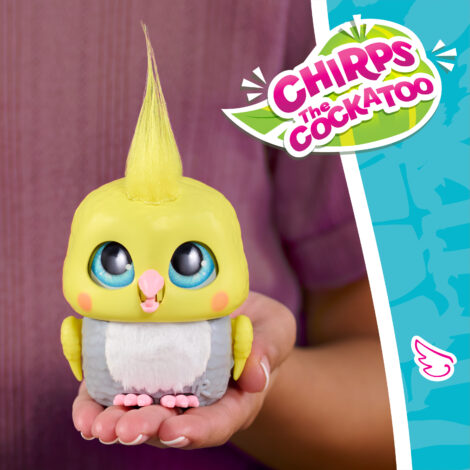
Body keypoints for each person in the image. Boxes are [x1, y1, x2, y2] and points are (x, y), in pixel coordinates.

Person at [0, 1, 394, 469]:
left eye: (189, 262)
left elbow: (415, 404)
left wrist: (256, 383)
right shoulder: (85, 332)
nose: (149, 288)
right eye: (113, 261)